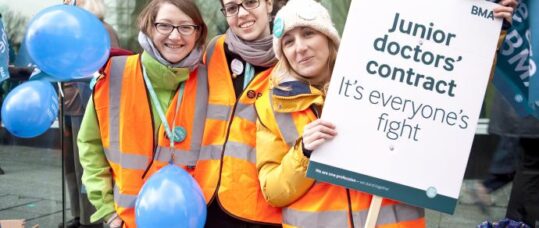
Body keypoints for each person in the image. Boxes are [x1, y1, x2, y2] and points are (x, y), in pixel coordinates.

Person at [253, 0, 426, 227]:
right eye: (288, 42)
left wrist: (484, 36)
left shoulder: (378, 84)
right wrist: (303, 153)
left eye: (308, 33)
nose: (300, 47)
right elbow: (273, 192)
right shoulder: (271, 107)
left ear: (329, 37)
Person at [77, 0, 208, 227]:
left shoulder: (211, 80)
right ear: (148, 26)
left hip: (194, 220)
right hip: (127, 220)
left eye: (186, 27)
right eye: (164, 25)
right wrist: (107, 211)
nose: (175, 36)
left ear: (198, 33)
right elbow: (90, 147)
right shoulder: (114, 75)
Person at [192, 0, 282, 226]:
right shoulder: (214, 50)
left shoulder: (290, 58)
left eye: (250, 2)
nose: (241, 14)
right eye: (232, 7)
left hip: (260, 210)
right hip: (206, 201)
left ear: (269, 4)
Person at [60, 0, 121, 227]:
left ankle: (89, 219)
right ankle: (77, 214)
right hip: (68, 103)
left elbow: (111, 69)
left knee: (85, 166)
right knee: (70, 166)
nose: (67, 4)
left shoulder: (102, 30)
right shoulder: (73, 31)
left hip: (87, 105)